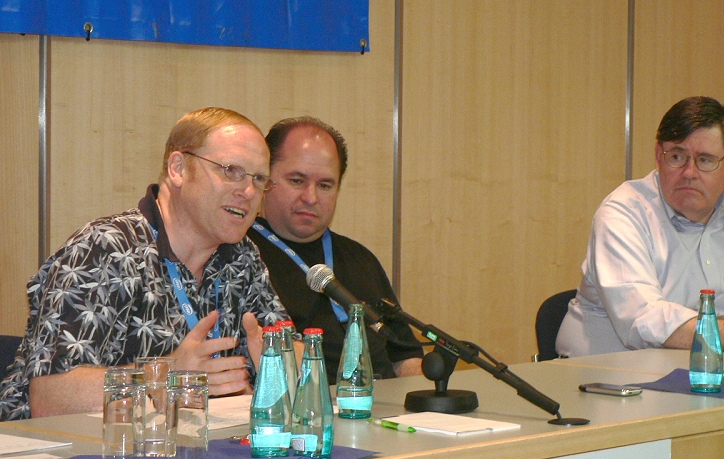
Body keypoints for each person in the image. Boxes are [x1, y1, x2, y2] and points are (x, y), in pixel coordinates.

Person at [0, 107, 289, 420]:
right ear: (178, 169)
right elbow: (50, 399)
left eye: (259, 179)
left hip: (183, 441)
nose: (248, 191)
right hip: (53, 445)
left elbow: (293, 350)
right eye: (231, 170)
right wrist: (166, 375)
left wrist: (279, 365)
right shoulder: (106, 248)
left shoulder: (242, 256)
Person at [556, 96, 724, 357]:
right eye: (676, 156)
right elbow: (646, 322)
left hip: (719, 368)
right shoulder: (623, 213)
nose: (689, 173)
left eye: (705, 160)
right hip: (608, 371)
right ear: (658, 156)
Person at [247, 117, 423, 383]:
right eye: (297, 180)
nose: (311, 197)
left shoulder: (360, 258)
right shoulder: (239, 257)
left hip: (379, 402)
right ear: (265, 178)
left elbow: (404, 356)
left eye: (325, 185)